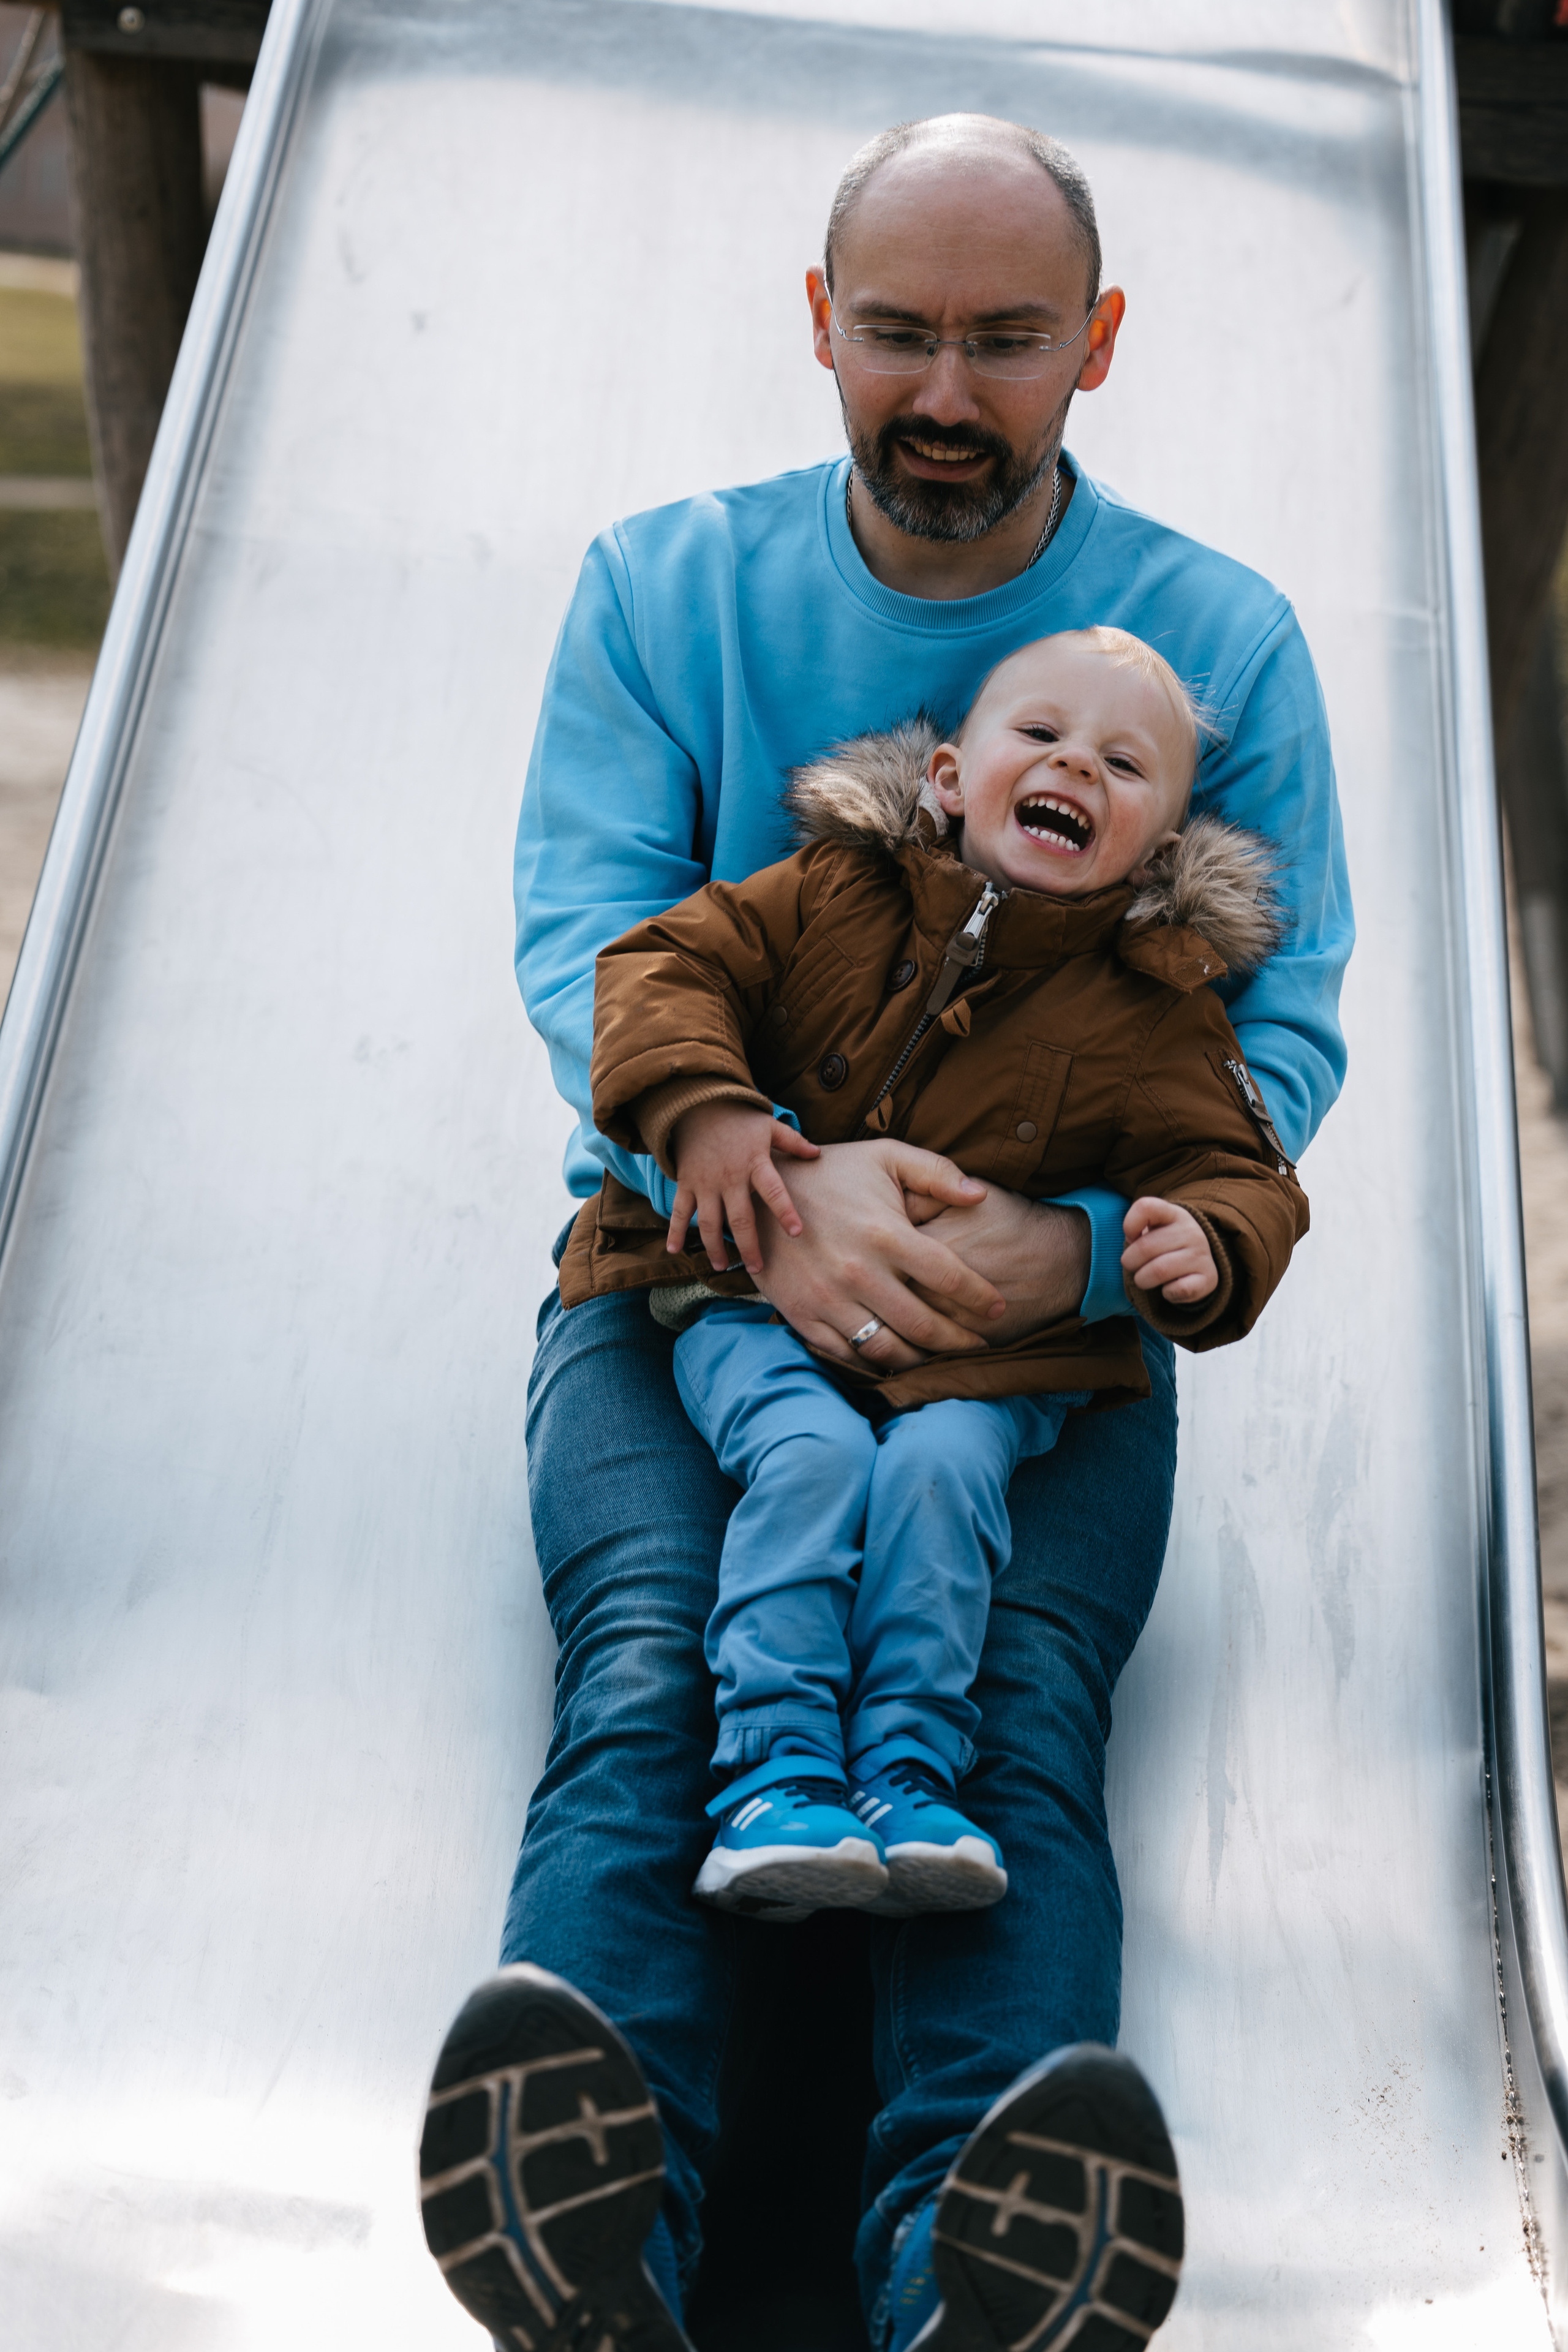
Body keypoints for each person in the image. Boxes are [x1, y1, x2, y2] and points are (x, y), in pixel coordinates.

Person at [418, 111, 1351, 2352]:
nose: (947, 391)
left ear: (1095, 344)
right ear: (822, 325)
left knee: (1012, 1712)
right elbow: (599, 948)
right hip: (684, 1281)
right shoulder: (667, 588)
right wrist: (754, 1167)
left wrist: (1086, 1246)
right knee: (660, 1665)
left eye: (1007, 341)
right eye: (901, 334)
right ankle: (594, 2246)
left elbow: (1279, 1037)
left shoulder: (1217, 650)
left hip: (1035, 1354)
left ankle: (976, 2274)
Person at [565, 626, 1308, 1925]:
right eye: (1042, 736)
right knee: (810, 1459)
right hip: (752, 1296)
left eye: (1123, 764)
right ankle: (776, 1774)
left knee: (944, 1473)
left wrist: (1206, 1238)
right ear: (951, 780)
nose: (1075, 767)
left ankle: (906, 1776)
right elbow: (662, 965)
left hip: (984, 1351)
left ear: (1157, 849)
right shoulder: (831, 891)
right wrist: (706, 1111)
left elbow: (1242, 1169)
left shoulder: (1156, 1010)